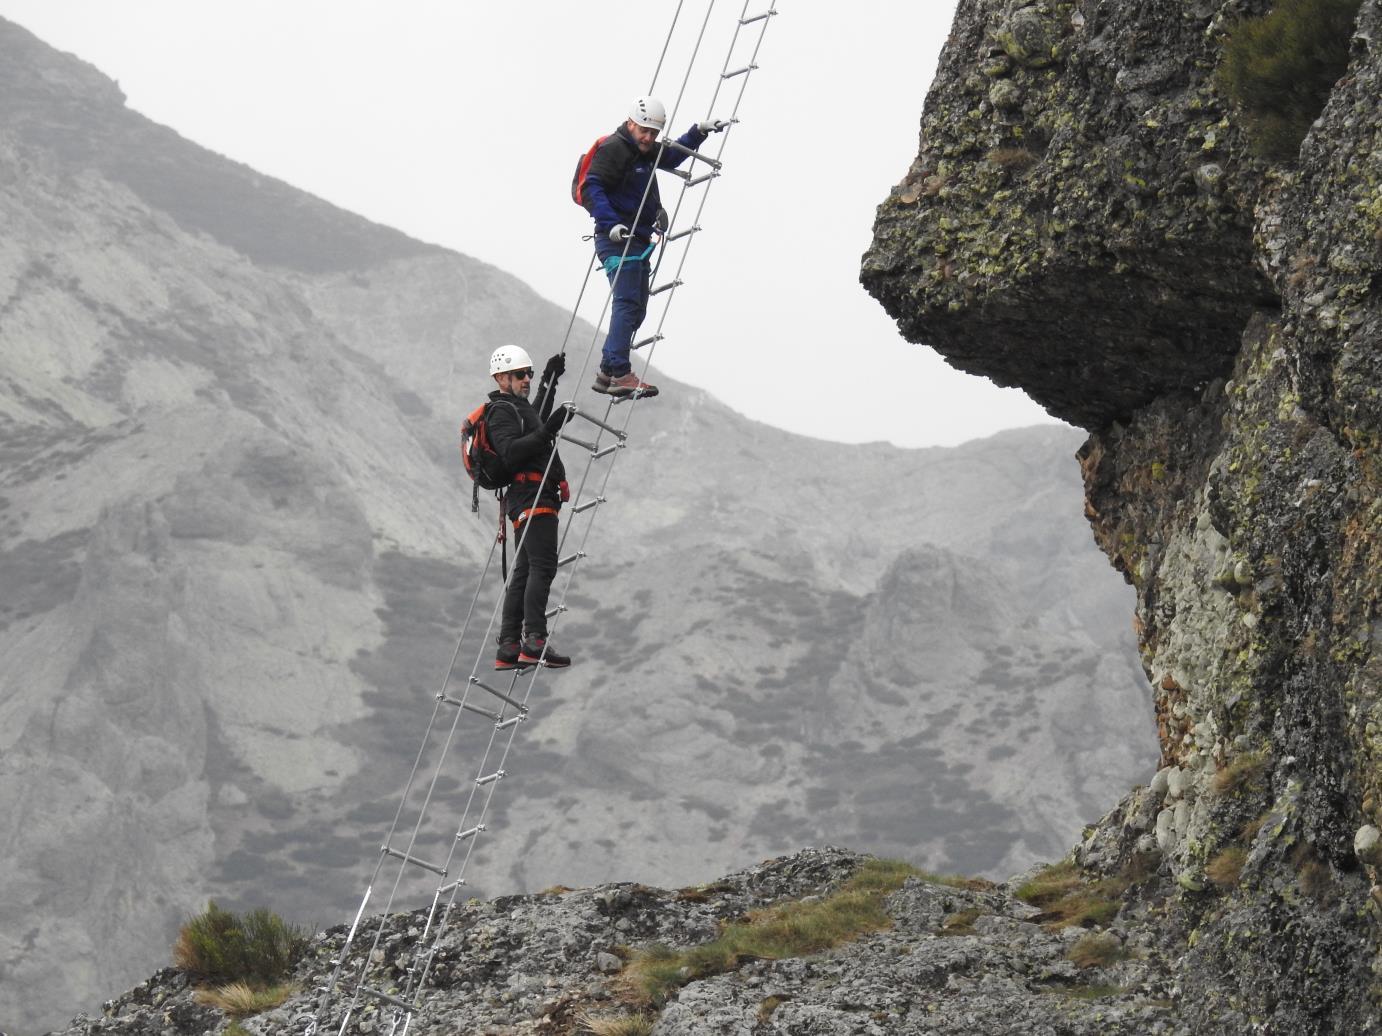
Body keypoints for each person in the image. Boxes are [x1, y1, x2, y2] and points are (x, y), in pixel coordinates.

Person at [580, 95, 728, 398]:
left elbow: (671, 157)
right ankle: (619, 372)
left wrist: (698, 131)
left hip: (638, 238)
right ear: (631, 123)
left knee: (637, 308)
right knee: (626, 303)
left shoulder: (642, 151)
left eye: (654, 133)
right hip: (618, 239)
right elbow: (592, 187)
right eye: (644, 130)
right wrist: (611, 224)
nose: (649, 137)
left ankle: (608, 371)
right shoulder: (615, 149)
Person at [486, 344, 575, 670]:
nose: (526, 379)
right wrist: (552, 428)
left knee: (524, 570)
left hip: (532, 494)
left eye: (529, 373)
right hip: (532, 494)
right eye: (520, 374)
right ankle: (535, 638)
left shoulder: (515, 408)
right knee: (543, 565)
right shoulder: (500, 412)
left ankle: (509, 645)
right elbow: (512, 452)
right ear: (501, 377)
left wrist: (549, 380)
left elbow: (536, 420)